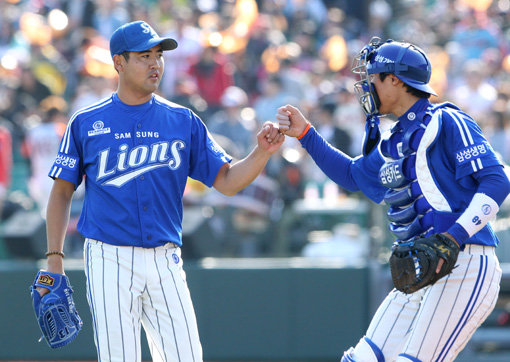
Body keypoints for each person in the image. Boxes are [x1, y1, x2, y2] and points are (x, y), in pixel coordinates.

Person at [36, 20, 284, 361]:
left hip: (166, 257)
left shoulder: (183, 120)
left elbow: (226, 180)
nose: (155, 63)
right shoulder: (86, 122)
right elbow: (61, 192)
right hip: (109, 257)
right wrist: (55, 261)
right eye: (144, 56)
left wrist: (261, 153)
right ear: (118, 62)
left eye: (159, 55)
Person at [277, 37, 510, 361]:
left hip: (465, 262)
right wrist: (306, 134)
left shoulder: (446, 120)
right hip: (421, 266)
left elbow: (497, 181)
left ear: (395, 81)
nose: (366, 86)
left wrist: (452, 237)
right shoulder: (394, 140)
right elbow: (352, 176)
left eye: (372, 78)